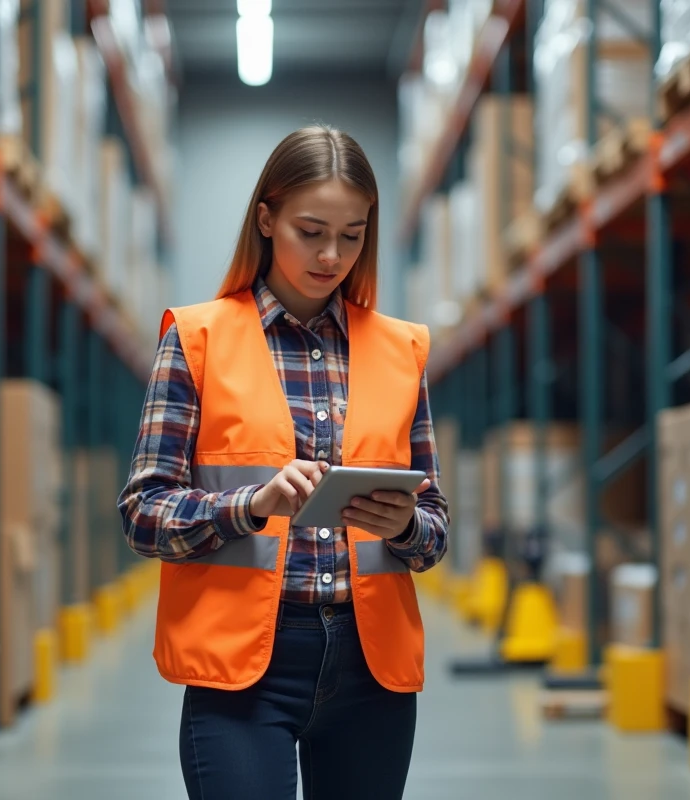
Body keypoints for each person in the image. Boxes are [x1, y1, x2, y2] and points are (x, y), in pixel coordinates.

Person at [118, 124, 450, 800]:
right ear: (266, 220)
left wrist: (403, 525)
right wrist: (252, 504)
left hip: (371, 671)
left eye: (352, 235)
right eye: (311, 231)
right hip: (243, 672)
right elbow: (142, 514)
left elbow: (436, 529)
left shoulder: (400, 351)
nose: (332, 255)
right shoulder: (196, 340)